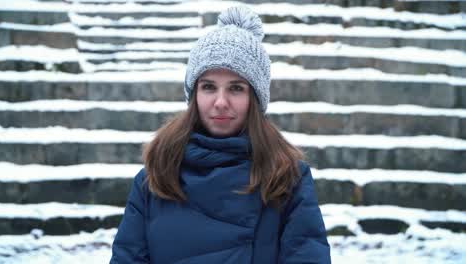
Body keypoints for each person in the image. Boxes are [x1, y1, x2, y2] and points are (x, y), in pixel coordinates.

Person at [110, 6, 330, 264]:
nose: (221, 102)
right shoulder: (156, 176)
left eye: (236, 88)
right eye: (208, 87)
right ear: (194, 96)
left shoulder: (286, 177)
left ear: (255, 99)